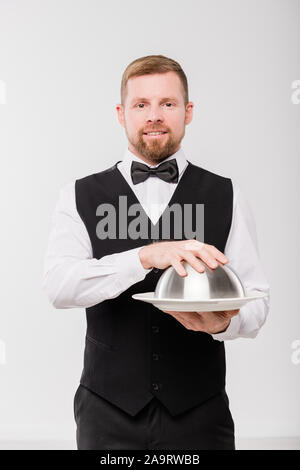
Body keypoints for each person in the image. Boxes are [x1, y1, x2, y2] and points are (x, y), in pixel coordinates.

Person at [42, 54, 270, 450]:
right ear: (121, 113)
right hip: (106, 412)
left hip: (201, 412)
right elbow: (59, 287)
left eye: (168, 103)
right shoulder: (78, 195)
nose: (154, 115)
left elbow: (257, 301)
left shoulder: (226, 195)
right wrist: (145, 256)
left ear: (188, 111)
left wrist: (221, 324)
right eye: (141, 104)